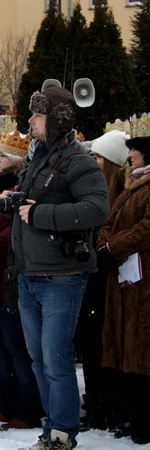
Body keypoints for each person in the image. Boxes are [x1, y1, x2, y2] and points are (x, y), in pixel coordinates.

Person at [9, 87, 109, 450]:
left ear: (56, 120)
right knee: (39, 359)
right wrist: (14, 206)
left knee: (56, 358)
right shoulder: (38, 159)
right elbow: (31, 207)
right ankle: (51, 428)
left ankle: (63, 435)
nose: (29, 122)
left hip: (63, 276)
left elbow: (97, 209)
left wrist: (39, 215)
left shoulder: (78, 160)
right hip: (30, 274)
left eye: (36, 116)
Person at [0, 130, 43, 432]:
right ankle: (6, 407)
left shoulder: (19, 189)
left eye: (3, 155)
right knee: (2, 349)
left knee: (18, 349)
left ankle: (28, 410)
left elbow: (12, 234)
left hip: (12, 279)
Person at [96, 134, 150, 445]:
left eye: (134, 151)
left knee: (142, 349)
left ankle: (144, 420)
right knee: (128, 350)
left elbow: (146, 228)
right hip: (124, 279)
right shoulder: (131, 187)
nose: (130, 156)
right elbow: (110, 221)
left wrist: (112, 247)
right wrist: (106, 246)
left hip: (144, 280)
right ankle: (133, 414)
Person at [76, 128, 129, 432]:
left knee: (106, 345)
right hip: (93, 278)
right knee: (91, 344)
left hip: (113, 279)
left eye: (97, 157)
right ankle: (95, 403)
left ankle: (110, 406)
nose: (92, 161)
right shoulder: (94, 193)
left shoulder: (121, 195)